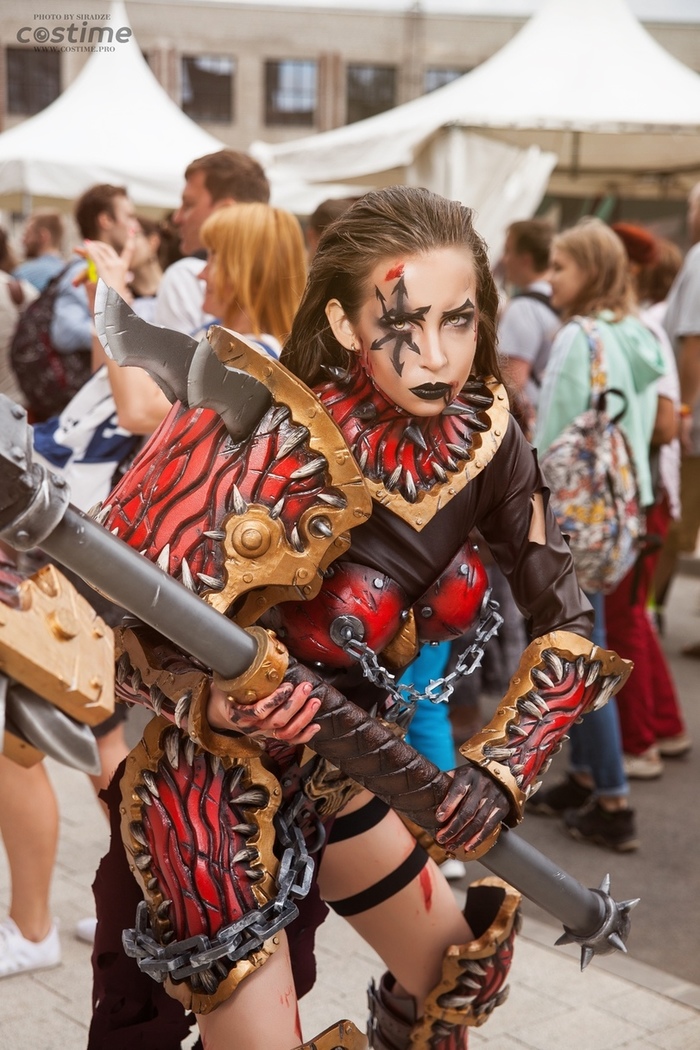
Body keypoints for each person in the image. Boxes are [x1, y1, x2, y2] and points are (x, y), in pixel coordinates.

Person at [83, 187, 631, 1050]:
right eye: (403, 325)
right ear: (343, 324)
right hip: (207, 799)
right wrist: (207, 700)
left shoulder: (490, 440)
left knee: (458, 975)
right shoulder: (254, 427)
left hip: (341, 768)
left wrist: (500, 772)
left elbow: (567, 619)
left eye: (459, 321)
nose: (437, 357)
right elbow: (115, 630)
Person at [532, 217, 666, 850]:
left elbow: (550, 438)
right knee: (589, 638)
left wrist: (527, 514)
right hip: (620, 514)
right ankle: (585, 777)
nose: (550, 278)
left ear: (589, 271)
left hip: (573, 519)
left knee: (583, 650)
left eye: (560, 267)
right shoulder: (635, 335)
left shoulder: (577, 337)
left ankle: (614, 800)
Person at [604, 224, 691, 777]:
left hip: (639, 492)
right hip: (644, 489)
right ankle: (663, 725)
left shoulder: (639, 329)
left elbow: (664, 423)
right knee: (631, 614)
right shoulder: (644, 327)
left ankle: (639, 745)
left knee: (622, 619)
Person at [153, 149, 270, 337]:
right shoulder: (281, 285)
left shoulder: (183, 276)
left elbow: (169, 358)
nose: (177, 217)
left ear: (226, 211)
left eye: (188, 205)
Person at [661, 181, 700, 658]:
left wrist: (685, 408)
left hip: (694, 422)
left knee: (673, 524)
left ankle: (646, 614)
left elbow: (694, 342)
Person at [198, 202, 307, 356]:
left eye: (214, 259)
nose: (201, 274)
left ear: (255, 276)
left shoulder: (253, 360)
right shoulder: (217, 333)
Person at [498, 219, 560, 439]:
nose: (504, 259)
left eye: (508, 251)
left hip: (528, 428)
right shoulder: (560, 302)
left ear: (525, 259)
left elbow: (513, 381)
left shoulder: (523, 307)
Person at [13, 211, 65, 292]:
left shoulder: (24, 275)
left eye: (27, 234)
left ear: (43, 236)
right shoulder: (71, 273)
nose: (23, 241)